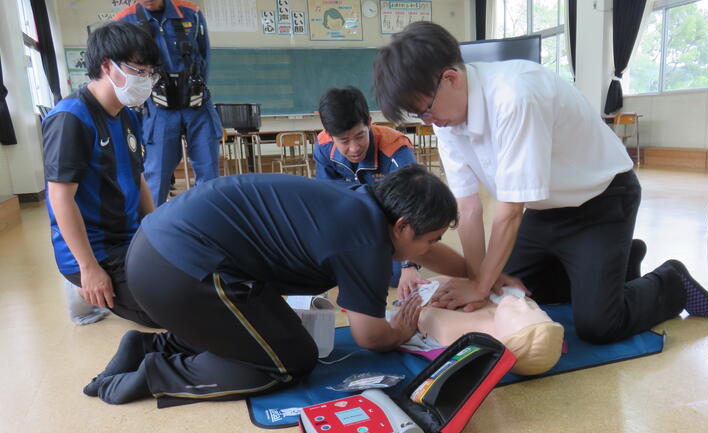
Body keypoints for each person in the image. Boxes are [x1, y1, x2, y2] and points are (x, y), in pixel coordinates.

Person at [373, 22, 708, 345]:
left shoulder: (514, 96)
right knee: (512, 290)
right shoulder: (446, 118)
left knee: (599, 324)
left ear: (451, 79)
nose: (429, 122)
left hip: (603, 202)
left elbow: (510, 212)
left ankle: (671, 282)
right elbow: (468, 207)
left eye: (426, 110)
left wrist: (479, 286)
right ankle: (620, 261)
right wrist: (480, 281)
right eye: (420, 115)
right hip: (545, 210)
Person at [83, 165, 468, 406]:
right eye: (431, 239)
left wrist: (477, 276)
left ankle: (152, 345)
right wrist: (401, 329)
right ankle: (155, 375)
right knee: (287, 362)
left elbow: (430, 251)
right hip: (178, 270)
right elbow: (370, 337)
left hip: (160, 248)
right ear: (402, 226)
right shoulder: (366, 239)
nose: (431, 249)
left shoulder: (362, 203)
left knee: (277, 335)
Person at [43, 21, 161, 328]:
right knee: (164, 311)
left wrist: (158, 229)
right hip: (97, 251)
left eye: (151, 73)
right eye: (140, 70)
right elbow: (60, 198)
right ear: (108, 66)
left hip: (130, 238)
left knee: (192, 278)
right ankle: (81, 286)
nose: (147, 80)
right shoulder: (70, 118)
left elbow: (137, 177)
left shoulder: (127, 115)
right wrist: (88, 268)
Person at [115, 0, 223, 206]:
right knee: (156, 175)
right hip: (158, 107)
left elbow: (205, 54)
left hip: (197, 103)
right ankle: (152, 224)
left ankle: (208, 218)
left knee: (209, 172)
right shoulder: (124, 20)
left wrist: (195, 87)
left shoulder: (190, 13)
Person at [314, 85, 418, 287]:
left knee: (394, 276)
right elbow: (326, 202)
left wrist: (408, 265)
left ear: (369, 122)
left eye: (360, 136)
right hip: (356, 224)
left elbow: (413, 209)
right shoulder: (323, 147)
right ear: (329, 134)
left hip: (393, 226)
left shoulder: (396, 150)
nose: (354, 148)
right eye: (344, 141)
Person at [413, 277, 564, 376]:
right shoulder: (514, 302)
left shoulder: (448, 328)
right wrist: (483, 280)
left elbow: (421, 307)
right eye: (537, 309)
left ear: (507, 337)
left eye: (520, 312)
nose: (523, 302)